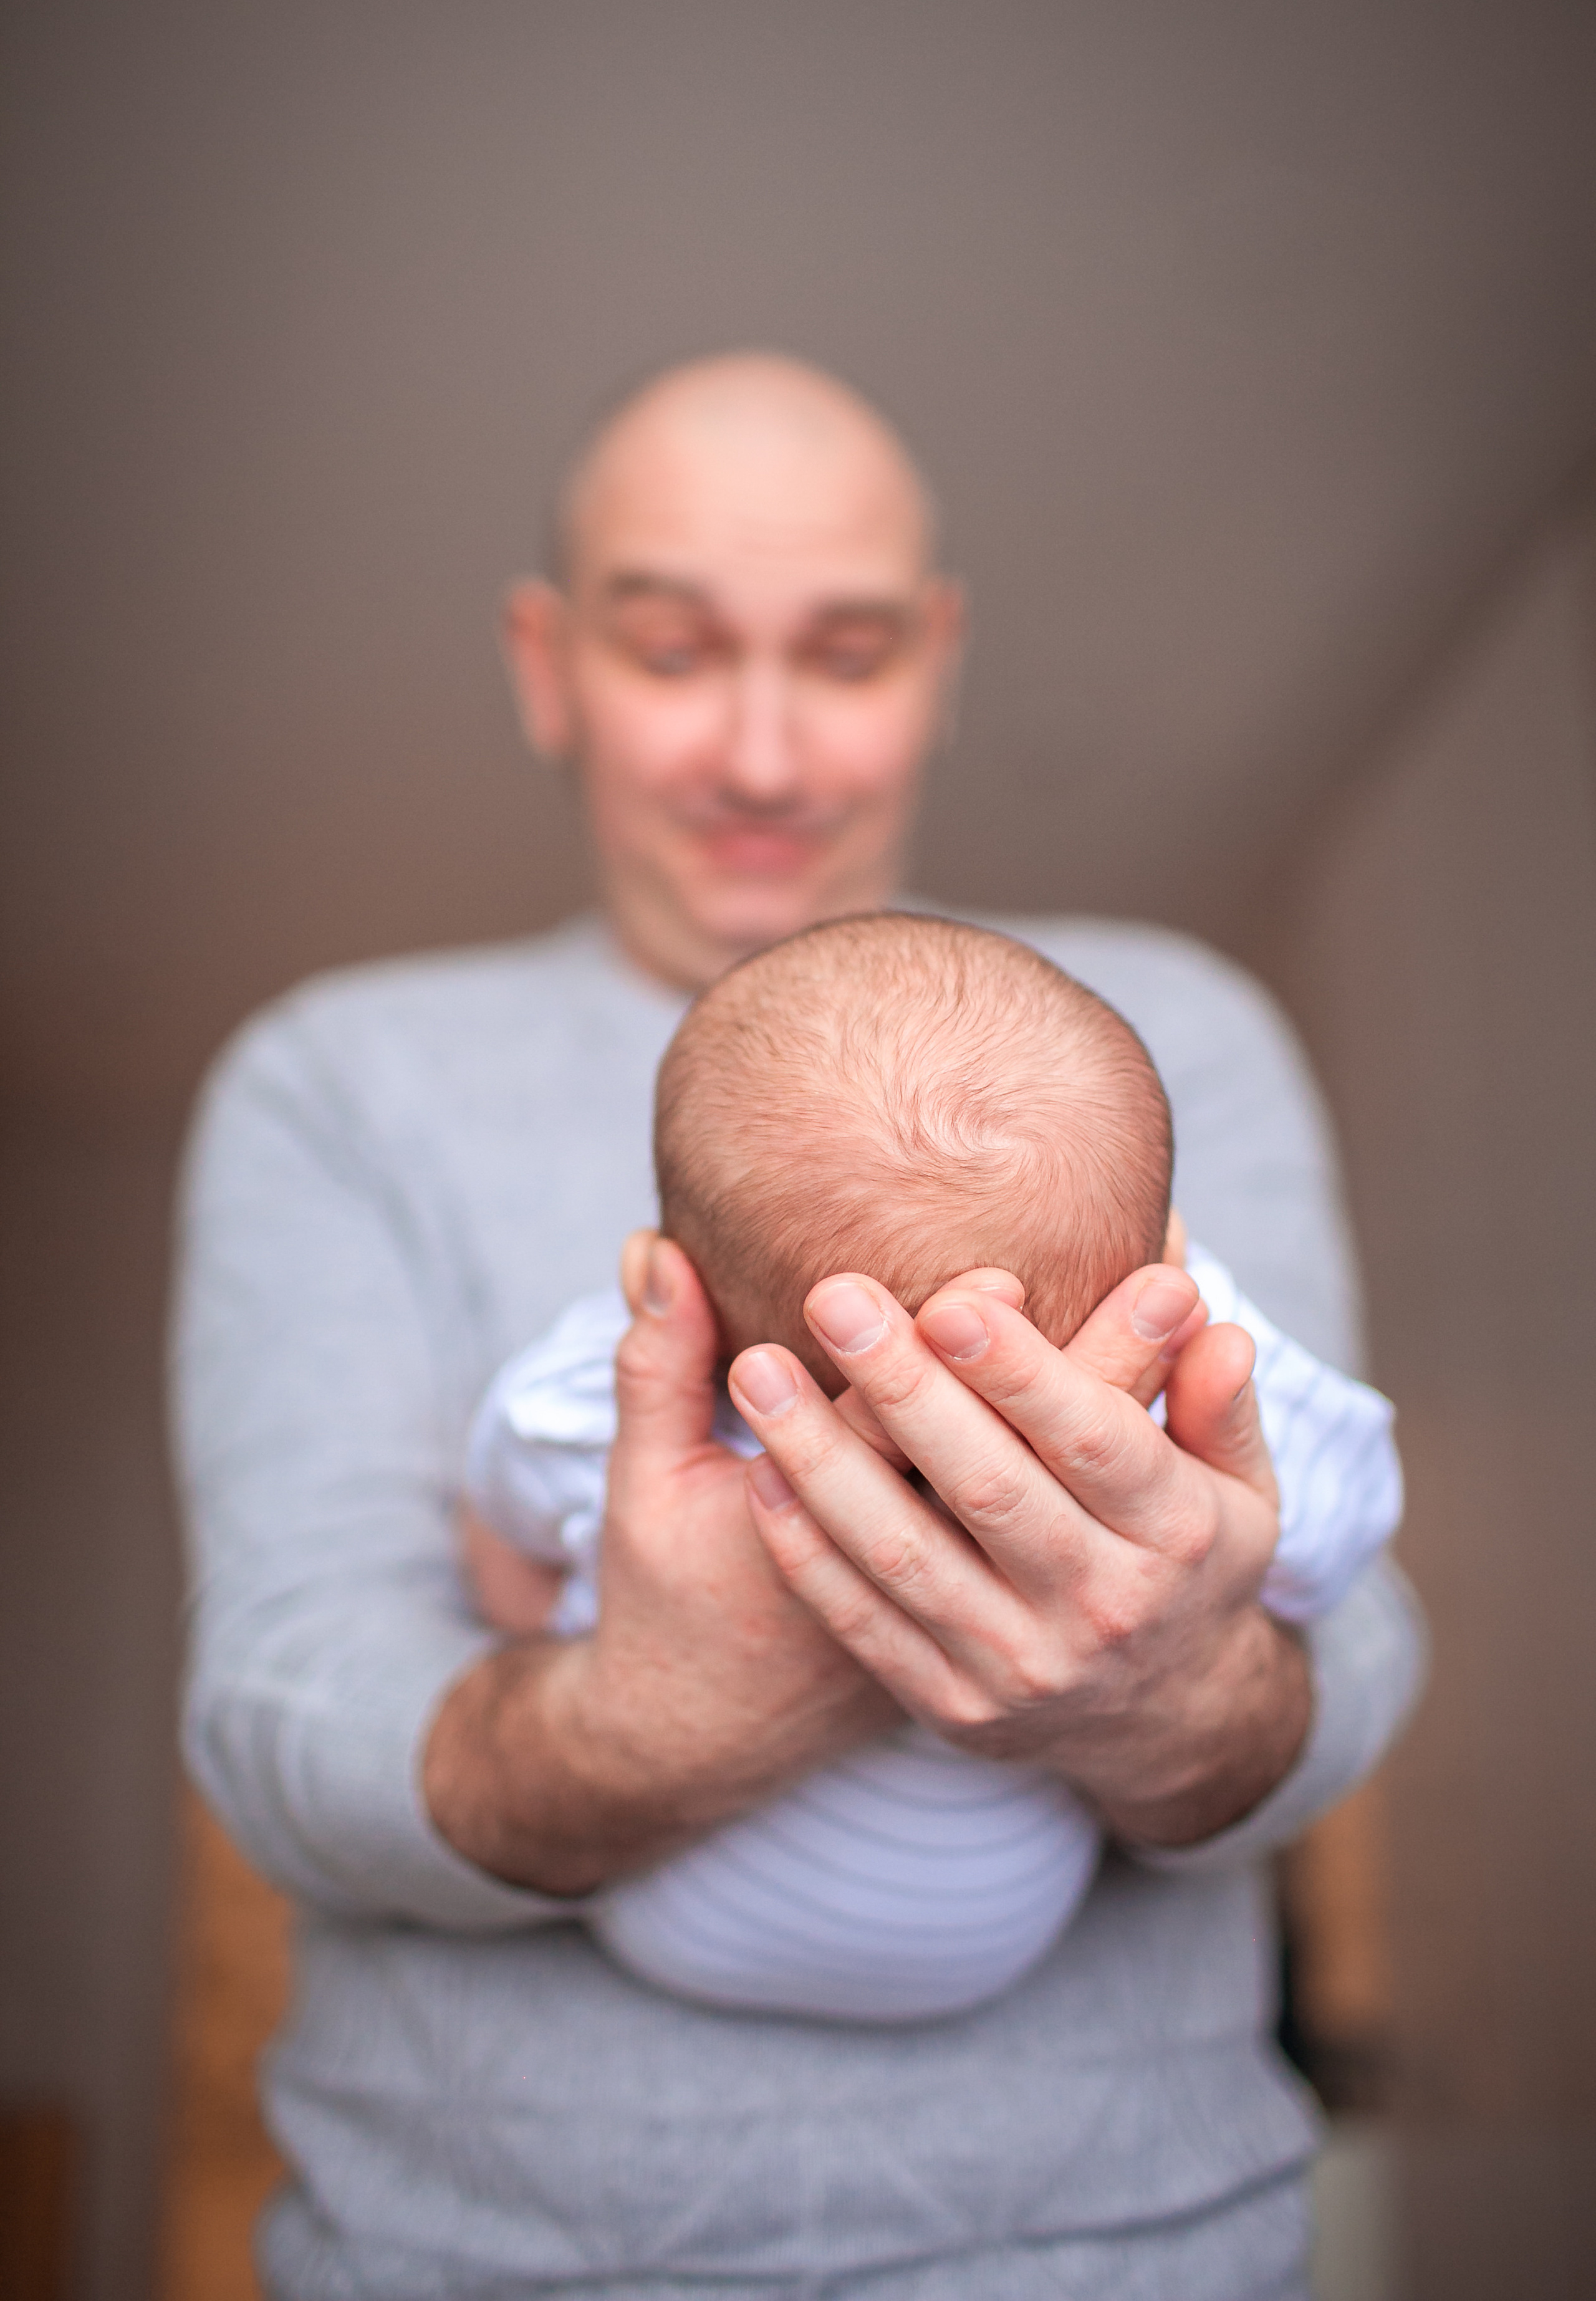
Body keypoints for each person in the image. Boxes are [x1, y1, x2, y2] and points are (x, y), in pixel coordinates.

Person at [173, 352, 1425, 2299]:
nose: (763, 758)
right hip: (480, 2261)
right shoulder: (336, 1082)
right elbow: (283, 1714)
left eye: (845, 656)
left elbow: (1354, 1632)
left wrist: (1175, 1683)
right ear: (547, 665)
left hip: (1131, 2254)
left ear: (938, 659)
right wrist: (648, 1717)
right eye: (674, 651)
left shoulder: (1159, 1046)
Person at [457, 911, 1402, 2025]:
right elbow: (1344, 1530)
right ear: (1162, 1256)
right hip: (999, 1928)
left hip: (671, 1907)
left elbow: (504, 1495)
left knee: (540, 1554)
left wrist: (532, 1602)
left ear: (665, 1284)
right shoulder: (1195, 1378)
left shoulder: (601, 1389)